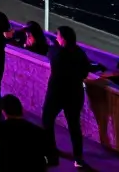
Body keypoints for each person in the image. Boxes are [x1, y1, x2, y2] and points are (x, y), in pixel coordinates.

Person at [42, 26, 90, 168]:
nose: (56, 37)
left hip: (56, 93)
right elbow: (85, 72)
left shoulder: (55, 53)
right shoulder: (80, 53)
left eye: (58, 35)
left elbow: (49, 50)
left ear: (63, 38)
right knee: (74, 125)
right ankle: (78, 158)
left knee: (47, 119)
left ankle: (51, 150)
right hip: (74, 93)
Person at [0, 94, 46, 172]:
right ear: (21, 110)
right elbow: (47, 157)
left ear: (3, 112)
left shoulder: (0, 128)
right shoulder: (39, 131)